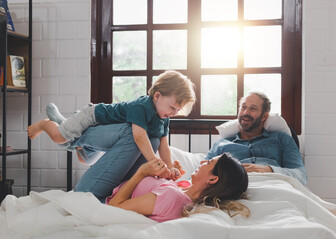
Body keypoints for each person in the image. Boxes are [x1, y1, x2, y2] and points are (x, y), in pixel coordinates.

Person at [28, 70, 196, 181]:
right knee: (59, 137)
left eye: (178, 110)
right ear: (157, 96)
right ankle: (45, 124)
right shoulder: (142, 106)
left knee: (85, 159)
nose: (174, 113)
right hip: (93, 117)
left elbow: (164, 146)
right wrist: (154, 161)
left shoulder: (163, 118)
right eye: (172, 108)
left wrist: (170, 166)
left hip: (103, 135)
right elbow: (138, 136)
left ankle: (63, 122)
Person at [106, 153, 250, 222]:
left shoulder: (171, 197)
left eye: (209, 162)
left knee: (140, 135)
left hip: (106, 192)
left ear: (212, 179)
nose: (202, 161)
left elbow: (114, 206)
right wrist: (166, 178)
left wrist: (142, 172)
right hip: (119, 180)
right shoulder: (184, 188)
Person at [205, 92, 308, 186]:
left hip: (275, 188)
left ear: (264, 116)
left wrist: (268, 170)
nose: (245, 112)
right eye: (243, 107)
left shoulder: (282, 139)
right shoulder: (221, 145)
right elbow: (201, 174)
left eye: (252, 109)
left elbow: (301, 176)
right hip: (234, 192)